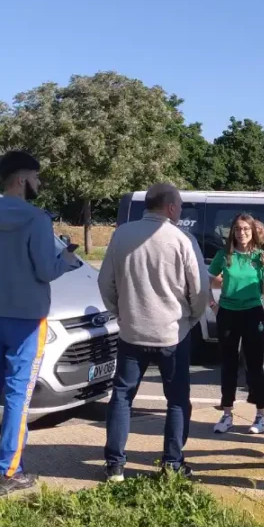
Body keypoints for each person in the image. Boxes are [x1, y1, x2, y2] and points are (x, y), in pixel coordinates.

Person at [0, 151, 82, 495]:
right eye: (37, 178)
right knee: (17, 395)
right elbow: (46, 270)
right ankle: (8, 473)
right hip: (27, 321)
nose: (39, 184)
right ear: (23, 179)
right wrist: (66, 258)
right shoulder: (36, 219)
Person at [98, 183, 208, 482]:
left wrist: (120, 312)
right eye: (180, 205)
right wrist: (191, 318)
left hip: (132, 332)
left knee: (122, 397)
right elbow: (200, 290)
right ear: (170, 207)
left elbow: (105, 282)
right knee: (177, 400)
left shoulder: (121, 235)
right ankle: (172, 464)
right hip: (173, 334)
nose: (181, 210)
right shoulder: (182, 239)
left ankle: (115, 465)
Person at [209, 214, 264, 435]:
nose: (241, 233)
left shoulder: (260, 256)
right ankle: (227, 414)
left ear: (252, 231)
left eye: (246, 229)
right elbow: (207, 279)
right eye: (237, 229)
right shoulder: (224, 255)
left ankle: (261, 415)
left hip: (253, 313)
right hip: (228, 313)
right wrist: (213, 304)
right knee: (228, 364)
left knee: (255, 365)